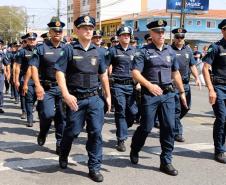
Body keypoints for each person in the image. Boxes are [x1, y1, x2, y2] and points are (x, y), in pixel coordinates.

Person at [55, 15, 111, 182]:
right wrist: (65, 94)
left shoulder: (99, 51)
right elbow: (59, 72)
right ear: (77, 30)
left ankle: (94, 167)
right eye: (84, 28)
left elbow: (103, 75)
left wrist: (108, 96)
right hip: (75, 99)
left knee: (95, 133)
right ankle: (63, 153)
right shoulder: (69, 49)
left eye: (90, 28)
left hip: (95, 98)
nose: (88, 30)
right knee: (72, 132)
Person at [129, 20, 187, 176]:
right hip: (150, 94)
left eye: (163, 32)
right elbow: (135, 73)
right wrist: (149, 85)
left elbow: (175, 73)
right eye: (158, 32)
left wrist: (182, 92)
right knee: (146, 127)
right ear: (152, 34)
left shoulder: (170, 51)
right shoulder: (143, 51)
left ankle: (166, 161)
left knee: (169, 127)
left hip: (168, 94)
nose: (161, 35)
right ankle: (135, 148)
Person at [29, 17, 66, 154]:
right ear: (49, 32)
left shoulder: (67, 48)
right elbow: (33, 67)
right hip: (46, 87)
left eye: (60, 30)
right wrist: (37, 86)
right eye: (54, 30)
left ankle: (59, 141)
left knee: (62, 116)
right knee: (47, 114)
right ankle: (43, 132)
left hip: (62, 88)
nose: (57, 33)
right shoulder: (41, 48)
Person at [107, 26, 138, 152]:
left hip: (131, 85)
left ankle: (125, 126)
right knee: (120, 110)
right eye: (123, 35)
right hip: (118, 85)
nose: (126, 37)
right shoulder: (112, 51)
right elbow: (105, 67)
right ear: (119, 37)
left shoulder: (135, 51)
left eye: (128, 35)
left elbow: (140, 68)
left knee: (133, 112)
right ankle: (121, 139)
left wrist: (140, 82)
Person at [202, 19, 226, 164]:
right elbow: (205, 68)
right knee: (222, 118)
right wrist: (211, 89)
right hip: (219, 87)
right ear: (223, 31)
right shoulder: (216, 47)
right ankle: (219, 150)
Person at [171, 28, 201, 142]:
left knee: (186, 107)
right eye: (177, 37)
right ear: (174, 38)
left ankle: (171, 122)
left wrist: (197, 78)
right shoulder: (169, 50)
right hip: (173, 85)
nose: (179, 39)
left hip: (186, 84)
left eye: (182, 37)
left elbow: (192, 65)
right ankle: (177, 132)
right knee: (177, 109)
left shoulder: (188, 50)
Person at [15, 32, 37, 127]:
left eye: (33, 39)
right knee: (28, 99)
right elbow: (17, 67)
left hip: (39, 79)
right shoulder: (22, 51)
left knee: (35, 99)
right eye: (30, 39)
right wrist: (16, 80)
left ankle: (31, 108)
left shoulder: (40, 50)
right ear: (26, 40)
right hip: (26, 79)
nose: (32, 41)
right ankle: (30, 119)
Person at [0, 38, 10, 113]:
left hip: (0, 74)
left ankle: (0, 106)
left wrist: (8, 73)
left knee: (0, 91)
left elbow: (7, 64)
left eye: (0, 44)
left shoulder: (3, 54)